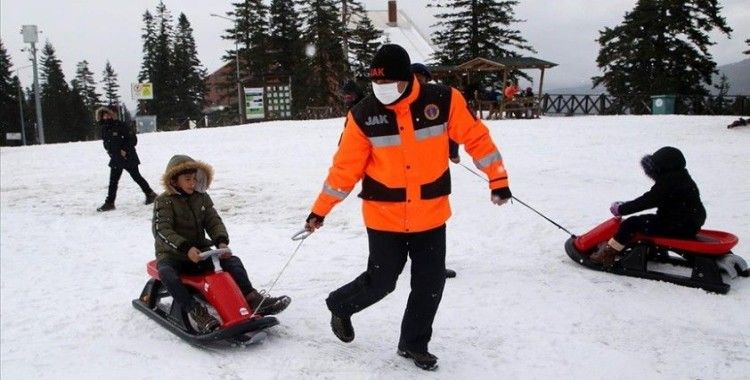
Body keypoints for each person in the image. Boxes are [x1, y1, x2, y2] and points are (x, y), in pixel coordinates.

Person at [304, 44, 512, 370]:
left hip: (430, 213)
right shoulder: (362, 114)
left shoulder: (442, 100)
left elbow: (476, 138)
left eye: (390, 86)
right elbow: (344, 170)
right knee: (383, 281)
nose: (383, 93)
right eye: (377, 86)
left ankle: (413, 343)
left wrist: (497, 179)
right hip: (384, 215)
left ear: (409, 80)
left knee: (429, 284)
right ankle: (340, 305)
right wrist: (320, 210)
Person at [153, 154, 291, 333]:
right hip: (173, 255)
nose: (192, 183)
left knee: (232, 262)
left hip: (201, 252)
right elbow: (161, 230)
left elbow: (213, 221)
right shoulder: (163, 201)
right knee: (167, 274)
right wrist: (185, 248)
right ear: (174, 180)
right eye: (187, 179)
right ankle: (195, 310)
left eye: (194, 179)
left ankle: (252, 298)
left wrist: (221, 241)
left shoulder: (201, 197)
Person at [590, 146, 706, 269]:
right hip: (686, 222)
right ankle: (650, 250)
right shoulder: (681, 177)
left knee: (630, 224)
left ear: (664, 167)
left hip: (677, 225)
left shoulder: (669, 183)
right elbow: (651, 198)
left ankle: (607, 254)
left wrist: (622, 209)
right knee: (644, 221)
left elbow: (647, 201)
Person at [411, 62, 458, 279]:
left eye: (423, 79)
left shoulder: (438, 101)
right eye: (416, 78)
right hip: (407, 176)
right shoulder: (399, 103)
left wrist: (453, 150)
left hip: (435, 175)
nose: (420, 83)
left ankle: (435, 265)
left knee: (435, 223)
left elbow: (452, 129)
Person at [96, 106, 157, 212]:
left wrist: (124, 149)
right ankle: (110, 202)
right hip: (116, 158)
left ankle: (150, 194)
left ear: (113, 115)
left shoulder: (121, 125)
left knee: (136, 177)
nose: (106, 117)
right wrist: (110, 152)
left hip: (128, 157)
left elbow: (132, 139)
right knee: (113, 181)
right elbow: (107, 142)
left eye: (108, 114)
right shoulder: (104, 128)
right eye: (104, 115)